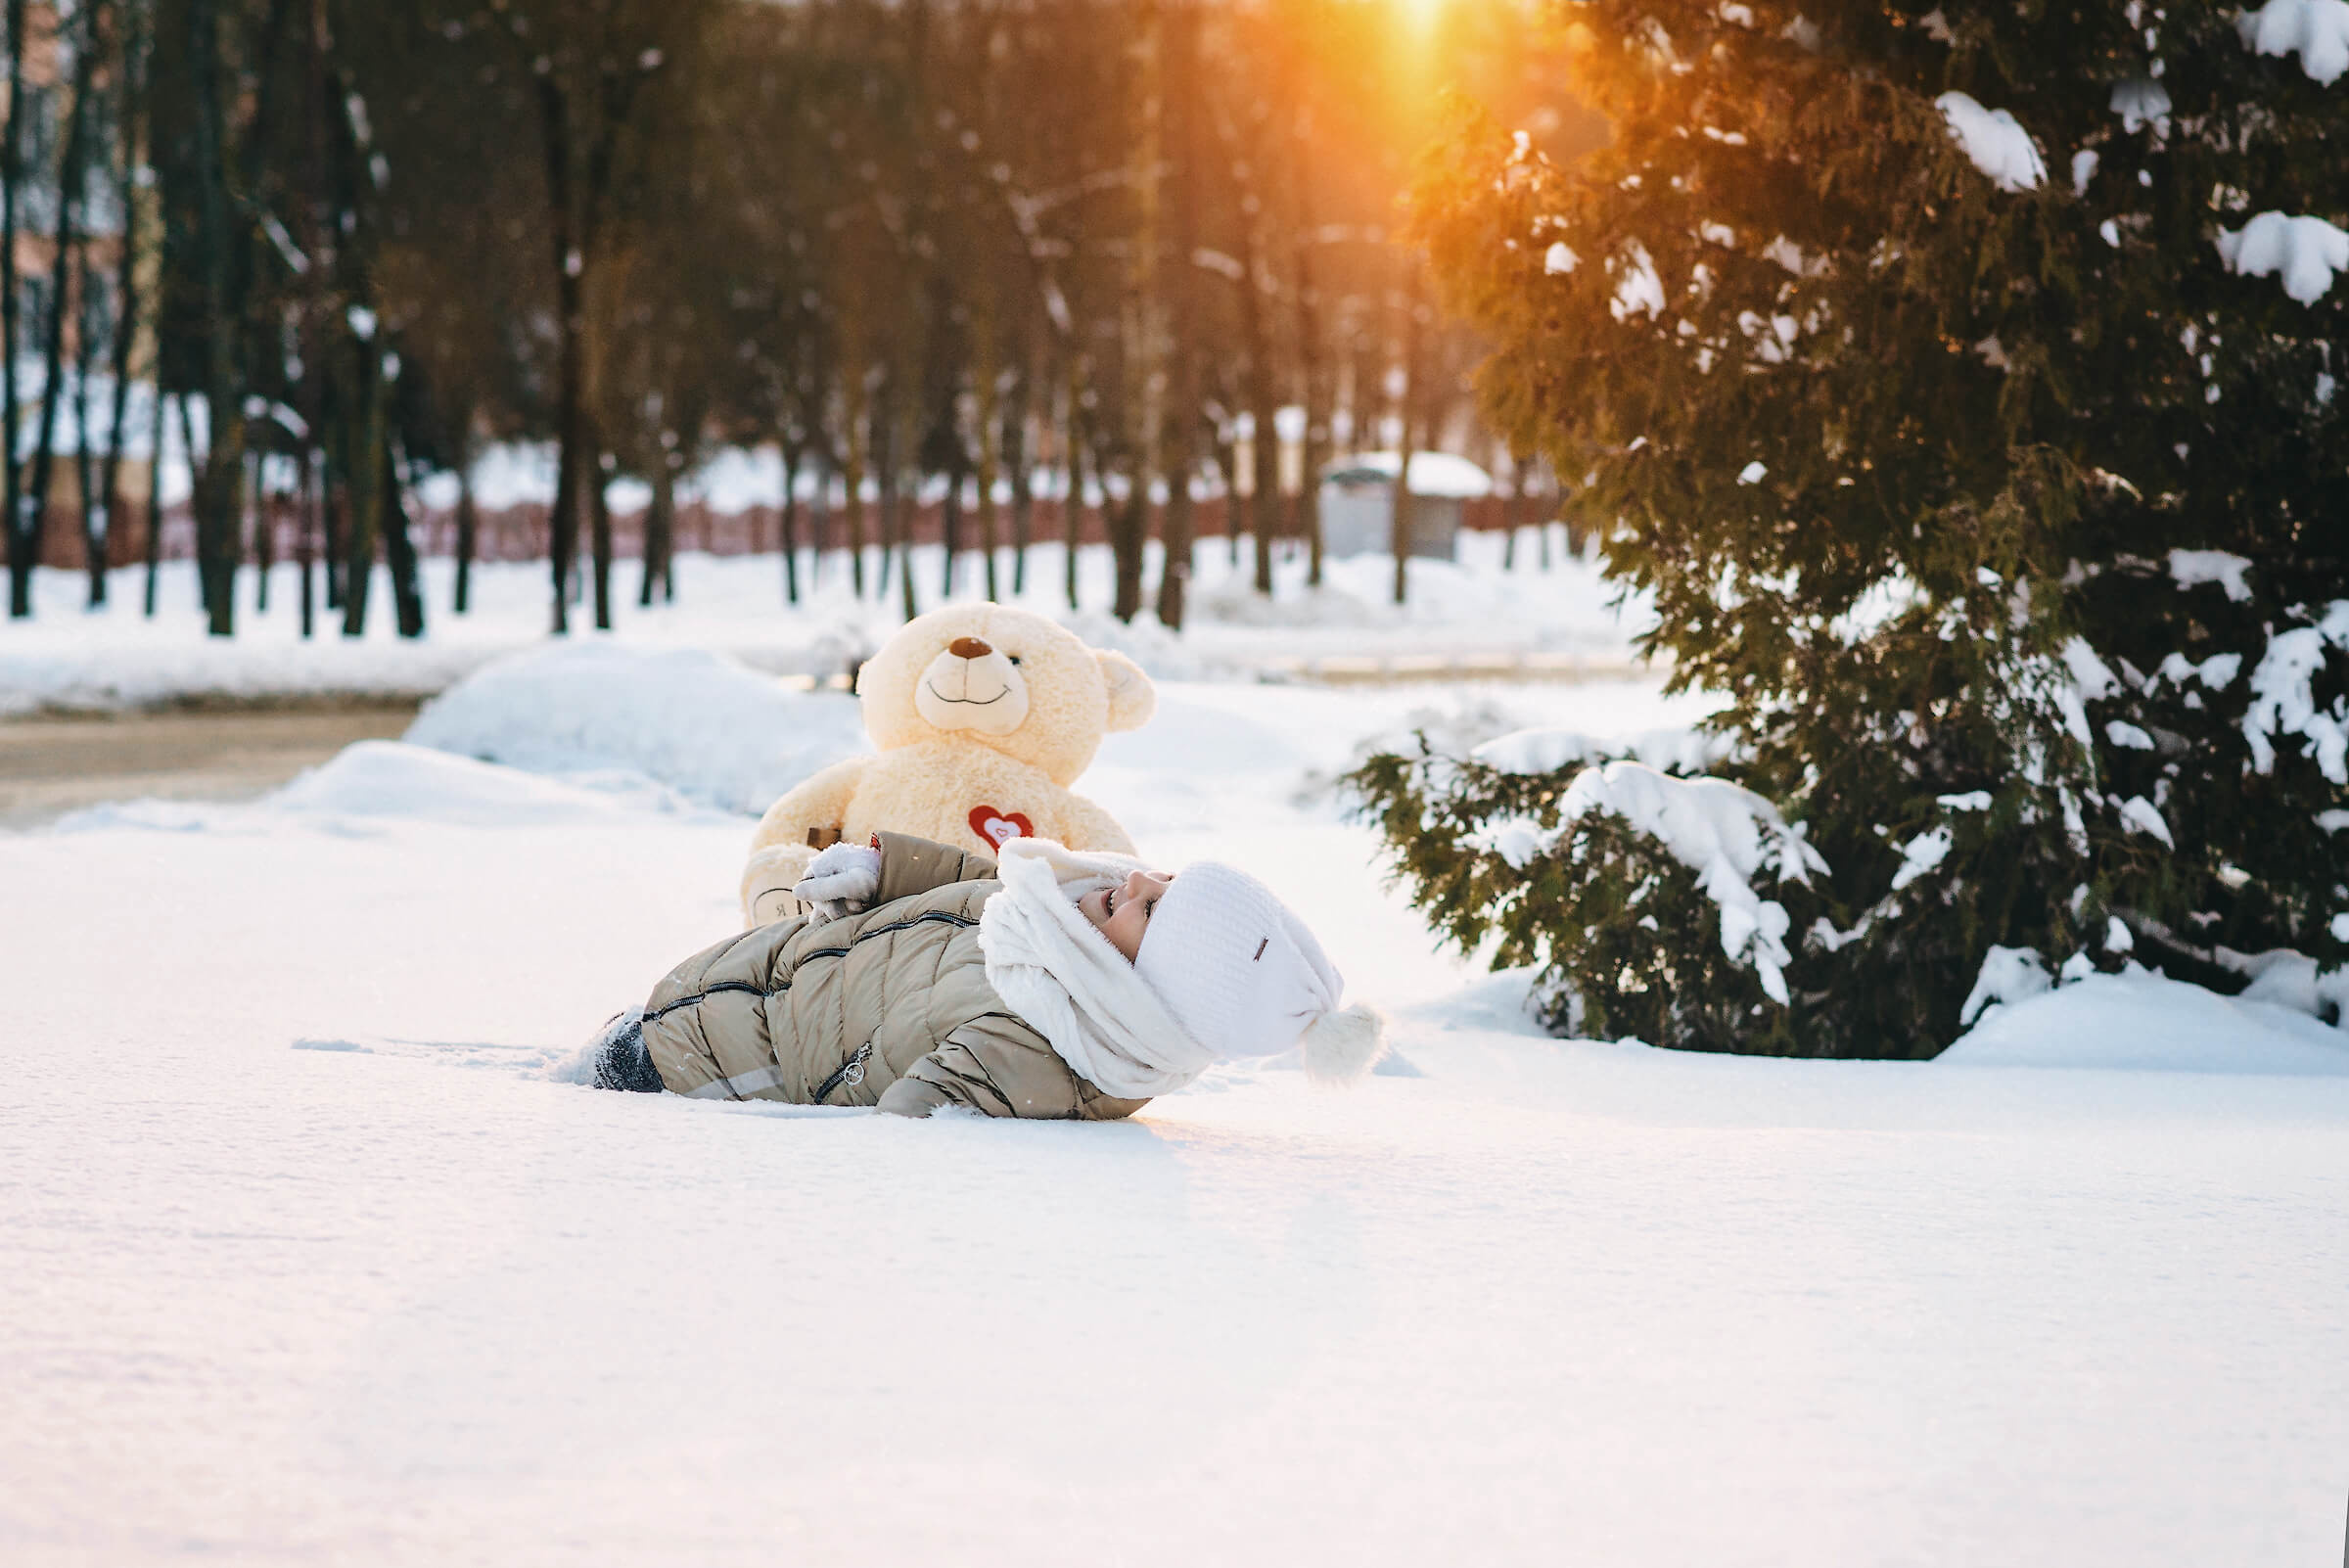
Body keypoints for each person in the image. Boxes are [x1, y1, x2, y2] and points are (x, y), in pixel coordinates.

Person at [588, 831, 1387, 1118]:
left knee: (597, 1083)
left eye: (1152, 914)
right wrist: (884, 867)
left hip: (704, 1071)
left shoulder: (1049, 1049)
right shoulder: (1054, 911)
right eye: (1168, 884)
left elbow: (911, 1127)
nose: (1138, 884)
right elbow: (977, 883)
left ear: (1151, 991)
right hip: (723, 982)